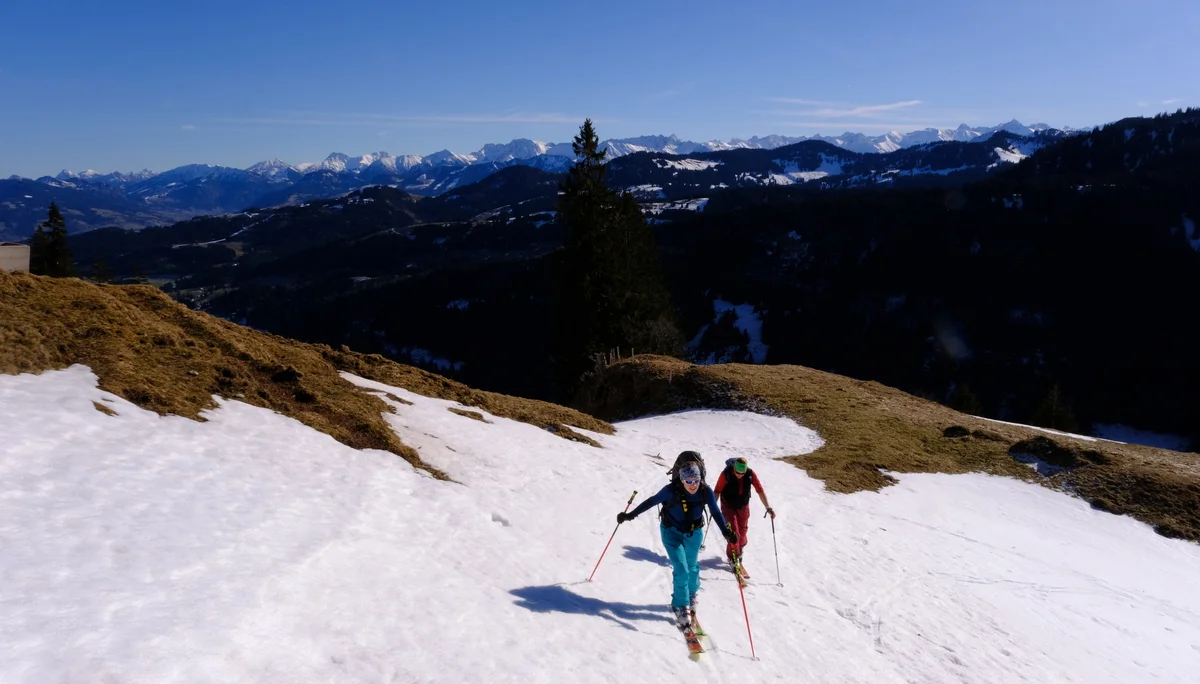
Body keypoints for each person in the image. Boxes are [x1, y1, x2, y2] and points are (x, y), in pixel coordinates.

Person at [617, 451, 738, 633]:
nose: (693, 485)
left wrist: (726, 532)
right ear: (681, 480)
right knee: (681, 569)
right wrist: (630, 515)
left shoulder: (705, 491)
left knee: (692, 567)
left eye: (696, 480)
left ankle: (691, 595)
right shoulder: (670, 490)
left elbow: (715, 512)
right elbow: (651, 501)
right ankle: (680, 605)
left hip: (694, 533)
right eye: (688, 481)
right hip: (671, 533)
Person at [713, 456, 775, 578]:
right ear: (734, 468)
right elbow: (717, 491)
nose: (740, 475)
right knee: (734, 533)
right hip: (728, 505)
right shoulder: (726, 474)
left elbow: (760, 490)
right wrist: (713, 506)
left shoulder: (750, 474)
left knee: (743, 532)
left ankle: (739, 553)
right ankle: (733, 558)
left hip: (743, 505)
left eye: (742, 473)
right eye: (738, 472)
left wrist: (768, 507)